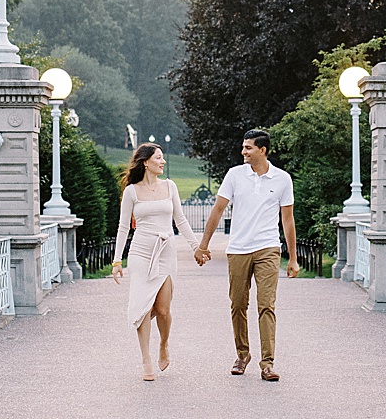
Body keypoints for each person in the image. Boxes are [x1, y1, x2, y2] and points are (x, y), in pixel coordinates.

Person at [195, 129, 298, 381]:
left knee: (266, 305)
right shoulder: (234, 175)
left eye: (248, 148)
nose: (243, 152)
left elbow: (287, 220)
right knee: (238, 304)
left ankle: (267, 363)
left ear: (262, 150)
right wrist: (203, 245)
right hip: (239, 249)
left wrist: (293, 258)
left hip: (268, 248)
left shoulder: (282, 179)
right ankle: (242, 355)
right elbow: (218, 210)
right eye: (243, 147)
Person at [112, 143, 198, 381]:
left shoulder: (170, 186)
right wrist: (117, 260)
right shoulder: (131, 191)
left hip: (165, 250)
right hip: (140, 252)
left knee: (162, 309)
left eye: (162, 158)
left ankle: (164, 344)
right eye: (158, 158)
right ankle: (146, 359)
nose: (163, 162)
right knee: (143, 306)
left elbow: (180, 220)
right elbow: (122, 228)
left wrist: (196, 247)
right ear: (145, 162)